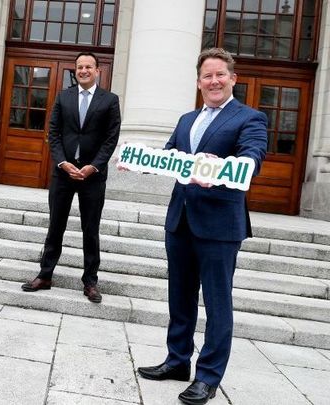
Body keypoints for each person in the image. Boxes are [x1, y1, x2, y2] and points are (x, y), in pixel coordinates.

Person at [136, 48, 267, 405]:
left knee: (217, 303)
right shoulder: (185, 120)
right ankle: (177, 361)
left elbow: (252, 158)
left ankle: (208, 376)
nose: (214, 81)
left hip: (220, 226)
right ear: (198, 82)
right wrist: (140, 162)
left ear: (233, 79)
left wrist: (224, 166)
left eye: (220, 74)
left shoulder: (250, 118)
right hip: (179, 221)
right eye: (207, 76)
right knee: (180, 297)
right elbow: (168, 155)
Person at [20, 51, 121, 303]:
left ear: (97, 70)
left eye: (88, 67)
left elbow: (111, 139)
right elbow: (52, 132)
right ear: (75, 71)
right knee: (55, 226)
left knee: (91, 230)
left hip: (93, 176)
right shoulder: (63, 97)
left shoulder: (109, 100)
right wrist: (63, 163)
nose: (84, 70)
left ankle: (90, 282)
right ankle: (45, 275)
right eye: (79, 67)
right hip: (63, 173)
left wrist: (93, 166)